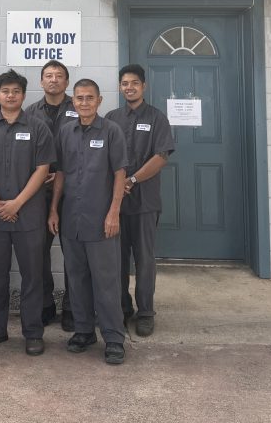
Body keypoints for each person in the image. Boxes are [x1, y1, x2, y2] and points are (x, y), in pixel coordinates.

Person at [0, 70, 54, 356]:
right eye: (5, 91)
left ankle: (33, 332)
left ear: (23, 95)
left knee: (33, 276)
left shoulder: (39, 127)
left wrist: (17, 203)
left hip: (28, 216)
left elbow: (43, 169)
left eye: (16, 91)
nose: (10, 95)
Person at [48, 79, 129, 365]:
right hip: (72, 219)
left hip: (101, 220)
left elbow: (120, 173)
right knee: (77, 278)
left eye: (89, 98)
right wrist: (53, 209)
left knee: (106, 282)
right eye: (79, 98)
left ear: (99, 100)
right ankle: (83, 331)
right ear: (73, 101)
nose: (84, 103)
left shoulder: (111, 131)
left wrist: (114, 212)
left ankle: (114, 338)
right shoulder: (65, 131)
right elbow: (60, 173)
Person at [105, 64, 174, 337]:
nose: (129, 87)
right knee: (117, 260)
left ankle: (145, 312)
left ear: (143, 86)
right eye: (125, 83)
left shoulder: (157, 118)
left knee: (144, 260)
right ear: (120, 87)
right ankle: (122, 309)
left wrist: (131, 180)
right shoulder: (111, 118)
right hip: (116, 205)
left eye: (134, 83)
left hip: (145, 202)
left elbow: (161, 156)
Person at [24, 59, 77, 331]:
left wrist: (63, 175)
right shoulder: (29, 112)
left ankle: (72, 307)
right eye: (48, 75)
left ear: (66, 82)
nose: (53, 79)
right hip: (39, 192)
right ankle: (45, 304)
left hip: (74, 193)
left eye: (59, 75)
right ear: (41, 81)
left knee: (73, 253)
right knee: (38, 252)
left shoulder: (79, 108)